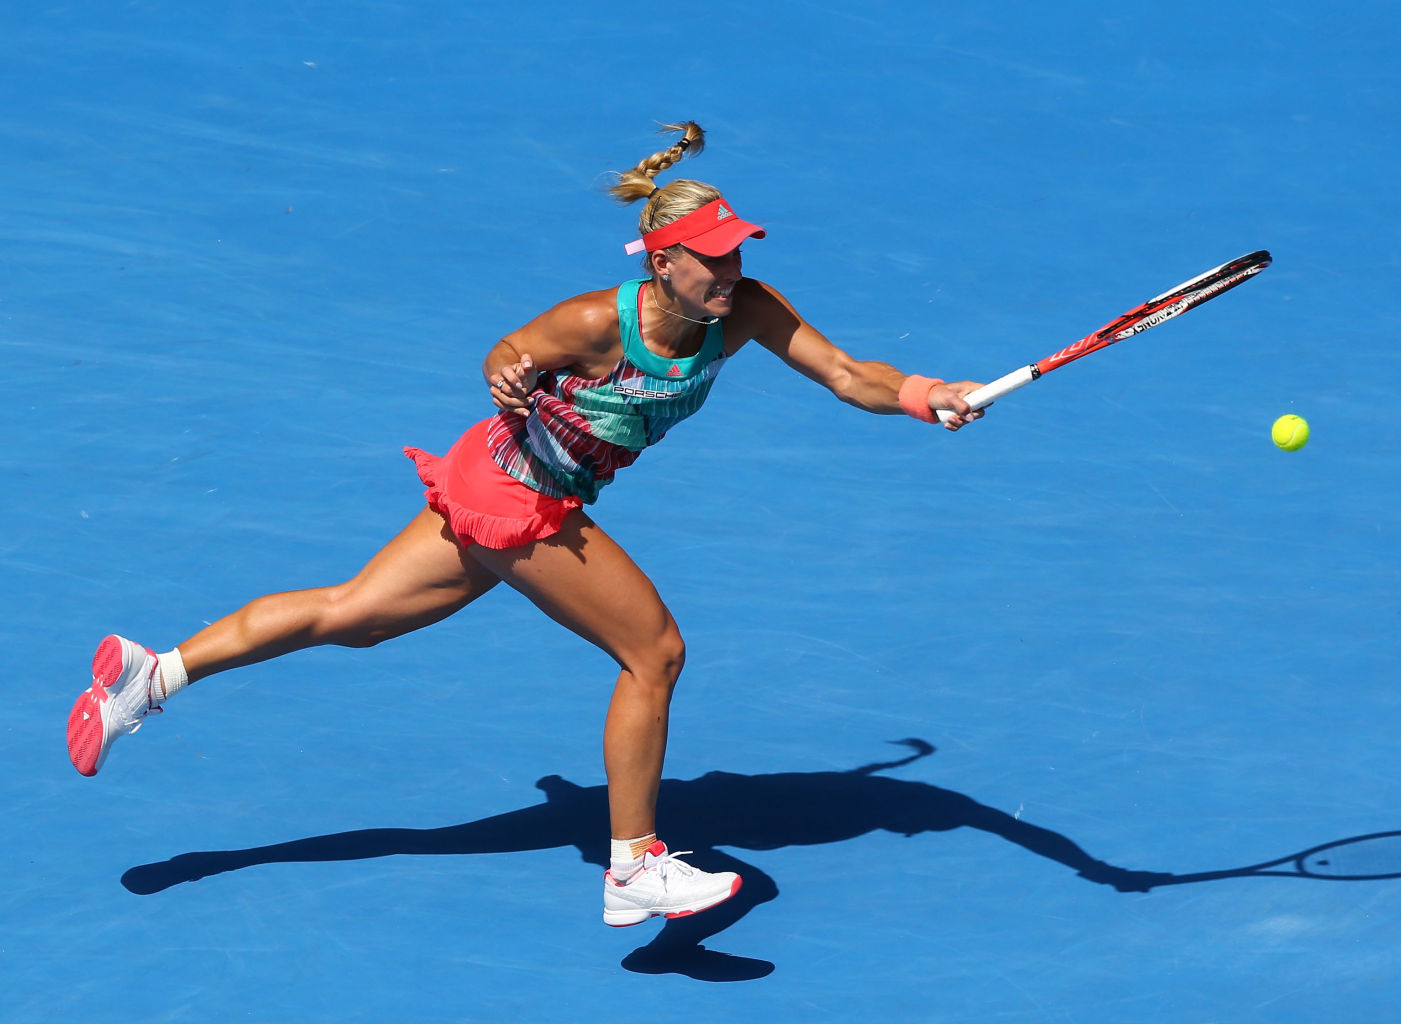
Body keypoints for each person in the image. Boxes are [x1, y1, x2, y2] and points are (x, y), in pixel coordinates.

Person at [66, 121, 985, 927]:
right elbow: (509, 350)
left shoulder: (744, 310)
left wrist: (924, 394)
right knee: (654, 653)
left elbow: (847, 372)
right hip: (518, 498)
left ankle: (152, 676)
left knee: (352, 615)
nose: (731, 269)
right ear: (660, 260)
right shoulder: (593, 322)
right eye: (712, 256)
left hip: (499, 484)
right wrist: (505, 374)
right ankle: (634, 865)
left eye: (737, 250)